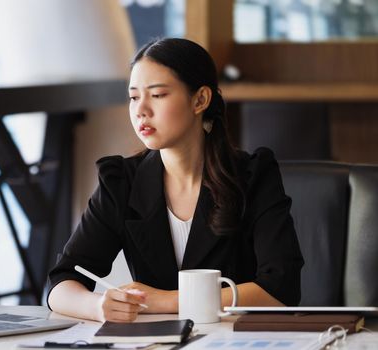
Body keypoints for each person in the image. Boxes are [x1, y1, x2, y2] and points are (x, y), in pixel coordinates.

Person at [47, 38, 304, 323]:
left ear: (200, 100)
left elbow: (281, 289)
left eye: (157, 95)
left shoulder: (253, 175)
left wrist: (168, 300)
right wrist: (98, 306)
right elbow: (61, 284)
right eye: (134, 97)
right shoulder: (121, 181)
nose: (141, 110)